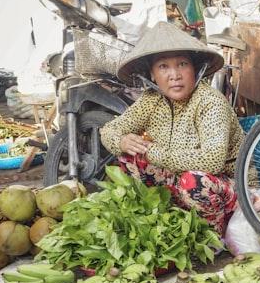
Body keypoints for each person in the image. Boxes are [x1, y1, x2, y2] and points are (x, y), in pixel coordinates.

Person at [100, 22, 244, 236]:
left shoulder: (209, 101)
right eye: (163, 67)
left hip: (231, 187)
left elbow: (212, 161)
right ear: (152, 75)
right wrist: (122, 141)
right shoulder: (151, 100)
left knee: (194, 182)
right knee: (129, 157)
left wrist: (154, 152)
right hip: (179, 178)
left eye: (182, 64)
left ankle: (213, 235)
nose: (174, 75)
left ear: (195, 69)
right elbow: (110, 130)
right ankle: (170, 218)